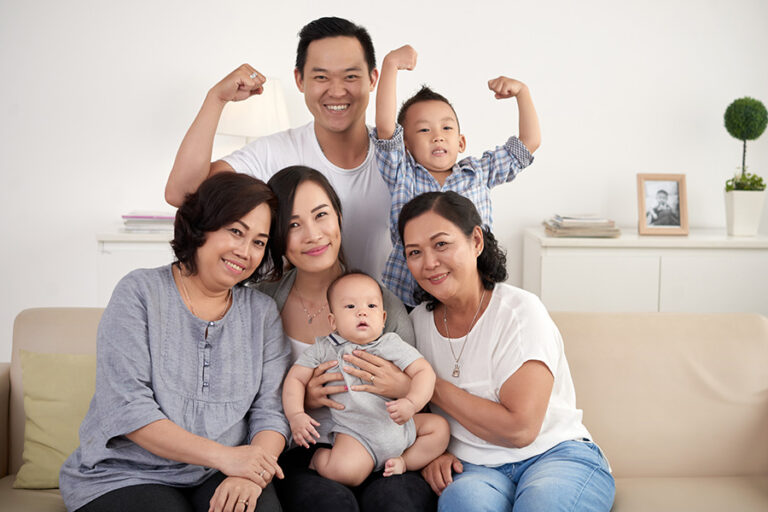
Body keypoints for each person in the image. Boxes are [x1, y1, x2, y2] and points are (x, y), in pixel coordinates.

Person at [59, 173, 291, 512]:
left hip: (221, 473)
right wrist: (228, 458)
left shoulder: (262, 313)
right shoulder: (139, 292)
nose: (245, 251)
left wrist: (251, 473)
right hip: (127, 473)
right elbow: (128, 409)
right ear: (202, 226)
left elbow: (269, 412)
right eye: (236, 231)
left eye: (258, 242)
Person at [398, 191, 615, 511]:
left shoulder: (520, 312)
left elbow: (520, 429)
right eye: (414, 252)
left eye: (441, 244)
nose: (429, 262)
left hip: (554, 455)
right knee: (461, 502)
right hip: (473, 469)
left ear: (476, 241)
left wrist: (428, 385)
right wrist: (435, 450)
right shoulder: (416, 324)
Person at [256, 166, 437, 511]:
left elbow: (420, 396)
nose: (312, 235)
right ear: (277, 235)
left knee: (395, 503)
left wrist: (400, 386)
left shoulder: (383, 306)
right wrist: (302, 403)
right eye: (294, 225)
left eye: (321, 215)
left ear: (338, 218)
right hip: (308, 449)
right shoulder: (262, 303)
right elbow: (251, 401)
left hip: (388, 442)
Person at [166, 17, 391, 279]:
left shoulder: (400, 155)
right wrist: (216, 99)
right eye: (321, 77)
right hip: (291, 313)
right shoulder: (274, 153)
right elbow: (182, 194)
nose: (337, 91)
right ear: (299, 80)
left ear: (373, 79)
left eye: (350, 76)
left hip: (388, 313)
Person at [371, 44, 541, 306]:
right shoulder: (402, 173)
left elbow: (528, 142)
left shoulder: (478, 172)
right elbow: (385, 127)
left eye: (446, 127)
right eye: (424, 130)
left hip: (469, 288)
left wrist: (522, 93)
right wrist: (390, 65)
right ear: (405, 143)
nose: (438, 135)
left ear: (461, 142)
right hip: (409, 294)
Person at [283, 271, 449, 486]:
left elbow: (424, 372)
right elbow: (295, 378)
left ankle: (403, 462)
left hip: (401, 425)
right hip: (356, 435)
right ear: (332, 321)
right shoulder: (325, 348)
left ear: (382, 319)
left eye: (371, 306)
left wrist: (412, 402)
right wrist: (296, 414)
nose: (362, 312)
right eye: (350, 307)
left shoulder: (391, 344)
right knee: (346, 473)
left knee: (440, 429)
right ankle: (319, 459)